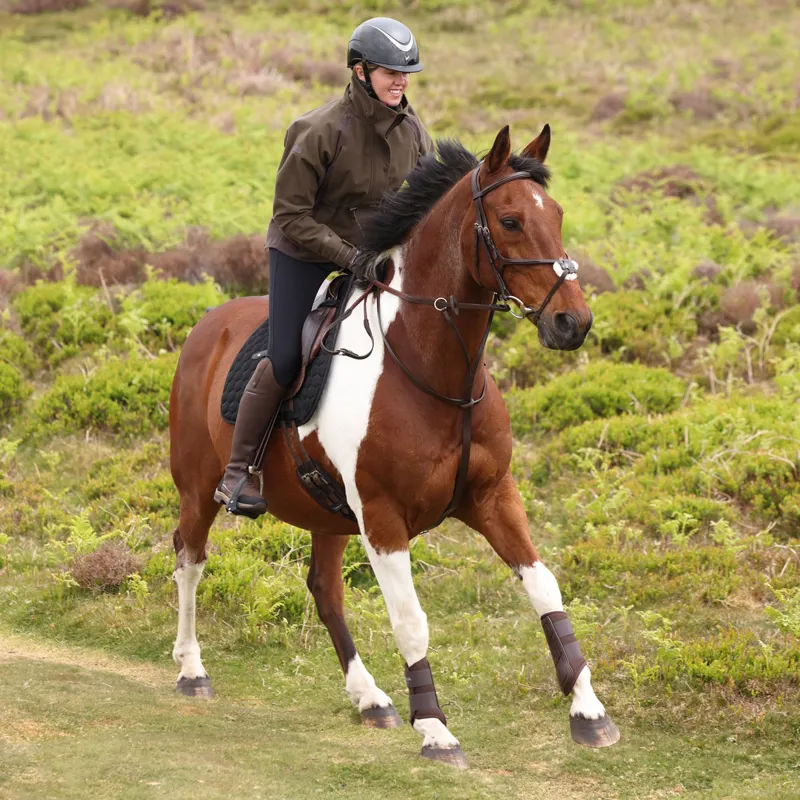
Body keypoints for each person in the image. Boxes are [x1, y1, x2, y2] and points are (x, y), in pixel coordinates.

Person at [214, 17, 435, 518]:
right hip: (304, 252)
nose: (400, 81)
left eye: (407, 73)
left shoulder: (414, 132)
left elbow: (425, 205)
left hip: (371, 254)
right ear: (360, 72)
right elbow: (290, 216)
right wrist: (350, 257)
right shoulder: (318, 130)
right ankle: (238, 471)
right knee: (288, 357)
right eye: (389, 72)